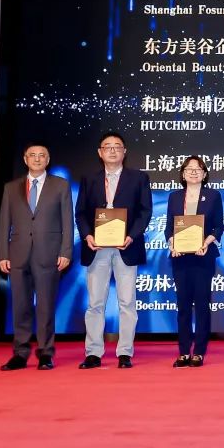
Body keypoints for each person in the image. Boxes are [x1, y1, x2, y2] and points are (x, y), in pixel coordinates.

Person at [75, 132, 152, 369]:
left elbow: (145, 212)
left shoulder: (138, 178)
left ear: (124, 152)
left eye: (117, 146)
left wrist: (131, 236)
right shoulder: (90, 179)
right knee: (95, 303)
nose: (112, 150)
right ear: (100, 152)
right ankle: (93, 353)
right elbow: (81, 213)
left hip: (126, 247)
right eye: (107, 146)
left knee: (127, 302)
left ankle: (125, 352)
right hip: (96, 248)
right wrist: (87, 235)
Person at [0, 144, 73, 371]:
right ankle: (20, 353)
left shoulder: (60, 185)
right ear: (25, 159)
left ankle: (46, 353)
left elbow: (67, 222)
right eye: (32, 155)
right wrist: (2, 254)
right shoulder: (11, 188)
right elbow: (4, 223)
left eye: (42, 156)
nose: (37, 159)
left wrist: (66, 251)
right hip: (17, 255)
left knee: (46, 307)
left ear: (48, 160)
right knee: (20, 306)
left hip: (49, 254)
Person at [164, 156, 224, 368]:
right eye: (189, 168)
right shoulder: (174, 197)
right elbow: (169, 228)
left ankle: (198, 351)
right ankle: (183, 351)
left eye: (198, 169)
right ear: (183, 173)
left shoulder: (213, 196)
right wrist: (173, 244)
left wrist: (206, 243)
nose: (193, 172)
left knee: (201, 304)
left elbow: (218, 227)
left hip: (203, 256)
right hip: (180, 257)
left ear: (204, 174)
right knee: (183, 306)